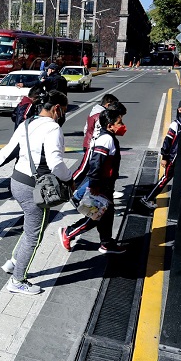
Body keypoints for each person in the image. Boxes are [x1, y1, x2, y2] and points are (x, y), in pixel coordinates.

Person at [0, 91, 72, 294]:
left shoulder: (27, 123)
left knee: (30, 228)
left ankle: (14, 262)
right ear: (57, 108)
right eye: (63, 111)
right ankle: (17, 281)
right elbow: (56, 163)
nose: (63, 116)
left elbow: (9, 149)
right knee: (34, 234)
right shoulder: (53, 128)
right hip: (36, 188)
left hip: (17, 182)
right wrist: (70, 178)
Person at [58, 108, 128, 254]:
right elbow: (96, 163)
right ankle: (69, 232)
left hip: (105, 185)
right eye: (119, 122)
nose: (122, 125)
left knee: (106, 215)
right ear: (109, 125)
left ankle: (106, 243)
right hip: (101, 186)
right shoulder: (106, 139)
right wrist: (94, 184)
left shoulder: (107, 137)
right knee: (97, 215)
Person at [140, 98, 181, 210]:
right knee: (166, 178)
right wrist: (164, 157)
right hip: (174, 157)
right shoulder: (175, 125)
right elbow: (167, 141)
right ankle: (147, 198)